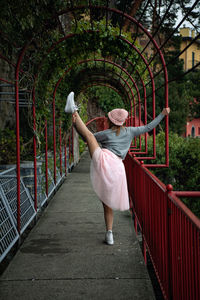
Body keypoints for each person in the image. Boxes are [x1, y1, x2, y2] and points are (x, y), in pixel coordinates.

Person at [64, 91, 170, 245]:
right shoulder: (131, 131)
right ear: (124, 121)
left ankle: (73, 110)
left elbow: (87, 138)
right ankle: (109, 235)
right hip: (118, 169)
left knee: (90, 135)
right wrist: (162, 114)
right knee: (108, 203)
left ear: (110, 120)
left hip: (104, 161)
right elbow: (148, 127)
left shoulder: (106, 133)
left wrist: (75, 125)